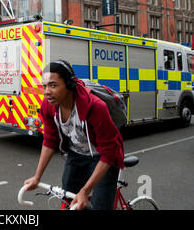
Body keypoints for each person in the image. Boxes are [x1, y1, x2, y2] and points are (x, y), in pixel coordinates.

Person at [23, 60, 125, 210]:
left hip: (102, 158)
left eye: (53, 85)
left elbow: (109, 152)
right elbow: (50, 139)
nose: (47, 92)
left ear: (69, 85)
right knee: (69, 201)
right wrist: (37, 177)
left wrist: (85, 191)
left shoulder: (95, 107)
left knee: (100, 205)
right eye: (44, 86)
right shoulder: (48, 105)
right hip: (76, 155)